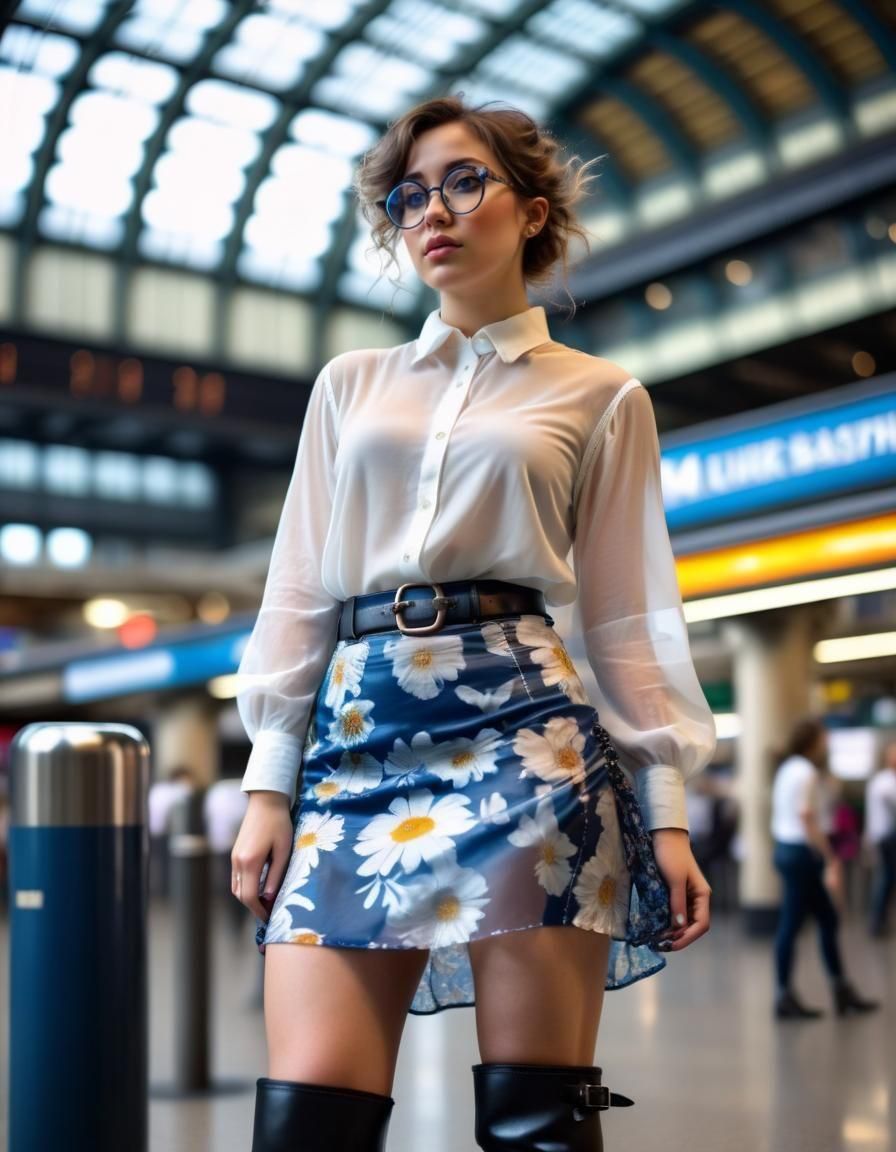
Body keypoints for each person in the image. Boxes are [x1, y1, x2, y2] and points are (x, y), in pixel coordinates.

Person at [231, 96, 716, 1152]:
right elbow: (299, 586)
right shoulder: (348, 385)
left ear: (530, 210)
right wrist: (269, 781)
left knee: (535, 1121)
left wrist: (664, 809)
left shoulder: (599, 394)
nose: (431, 212)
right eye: (407, 197)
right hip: (356, 743)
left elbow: (629, 614)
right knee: (306, 1113)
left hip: (529, 747)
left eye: (461, 182)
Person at [770, 717, 879, 1020]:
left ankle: (841, 989)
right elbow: (806, 816)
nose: (826, 743)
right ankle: (784, 995)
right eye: (823, 738)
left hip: (785, 849)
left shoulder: (787, 768)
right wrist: (829, 855)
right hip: (801, 853)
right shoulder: (805, 770)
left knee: (826, 919)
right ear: (813, 741)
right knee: (792, 925)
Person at [865, 738, 896, 938]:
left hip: (885, 835)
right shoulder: (885, 782)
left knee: (887, 878)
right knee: (886, 878)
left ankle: (880, 919)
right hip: (886, 836)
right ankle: (877, 920)